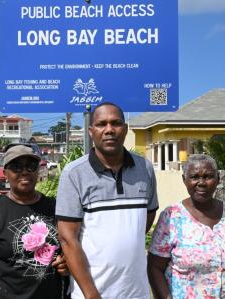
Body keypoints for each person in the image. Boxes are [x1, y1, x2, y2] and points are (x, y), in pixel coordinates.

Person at [56, 102, 158, 299]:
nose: (109, 130)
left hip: (137, 292)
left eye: (116, 123)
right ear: (91, 131)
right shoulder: (74, 174)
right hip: (92, 293)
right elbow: (68, 239)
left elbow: (146, 218)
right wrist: (91, 294)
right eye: (102, 124)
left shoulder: (144, 169)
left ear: (125, 129)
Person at [147, 154, 225, 298]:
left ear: (218, 179)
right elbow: (155, 267)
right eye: (194, 177)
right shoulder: (172, 217)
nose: (201, 182)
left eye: (208, 176)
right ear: (184, 180)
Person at [0, 144, 69, 299]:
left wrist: (66, 263)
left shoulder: (55, 208)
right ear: (5, 174)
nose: (24, 171)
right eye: (16, 167)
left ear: (38, 170)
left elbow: (71, 249)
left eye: (31, 166)